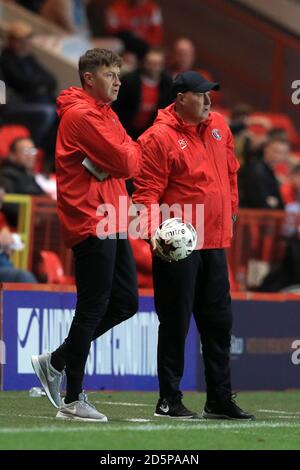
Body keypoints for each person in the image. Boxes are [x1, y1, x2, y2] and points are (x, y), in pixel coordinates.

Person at [133, 71, 255, 420]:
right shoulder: (157, 137)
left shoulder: (220, 127)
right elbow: (146, 195)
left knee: (219, 323)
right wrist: (156, 237)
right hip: (178, 248)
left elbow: (231, 174)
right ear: (180, 97)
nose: (208, 101)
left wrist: (231, 212)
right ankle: (168, 399)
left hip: (214, 243)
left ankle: (219, 398)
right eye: (201, 95)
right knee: (175, 323)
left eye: (210, 94)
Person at [31, 48, 141, 422]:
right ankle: (74, 399)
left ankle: (56, 360)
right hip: (91, 218)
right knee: (93, 305)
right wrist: (120, 157)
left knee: (126, 302)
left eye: (119, 76)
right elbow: (128, 160)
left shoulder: (105, 114)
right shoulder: (81, 116)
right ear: (89, 78)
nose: (117, 82)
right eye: (111, 75)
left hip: (113, 216)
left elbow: (131, 158)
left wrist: (119, 157)